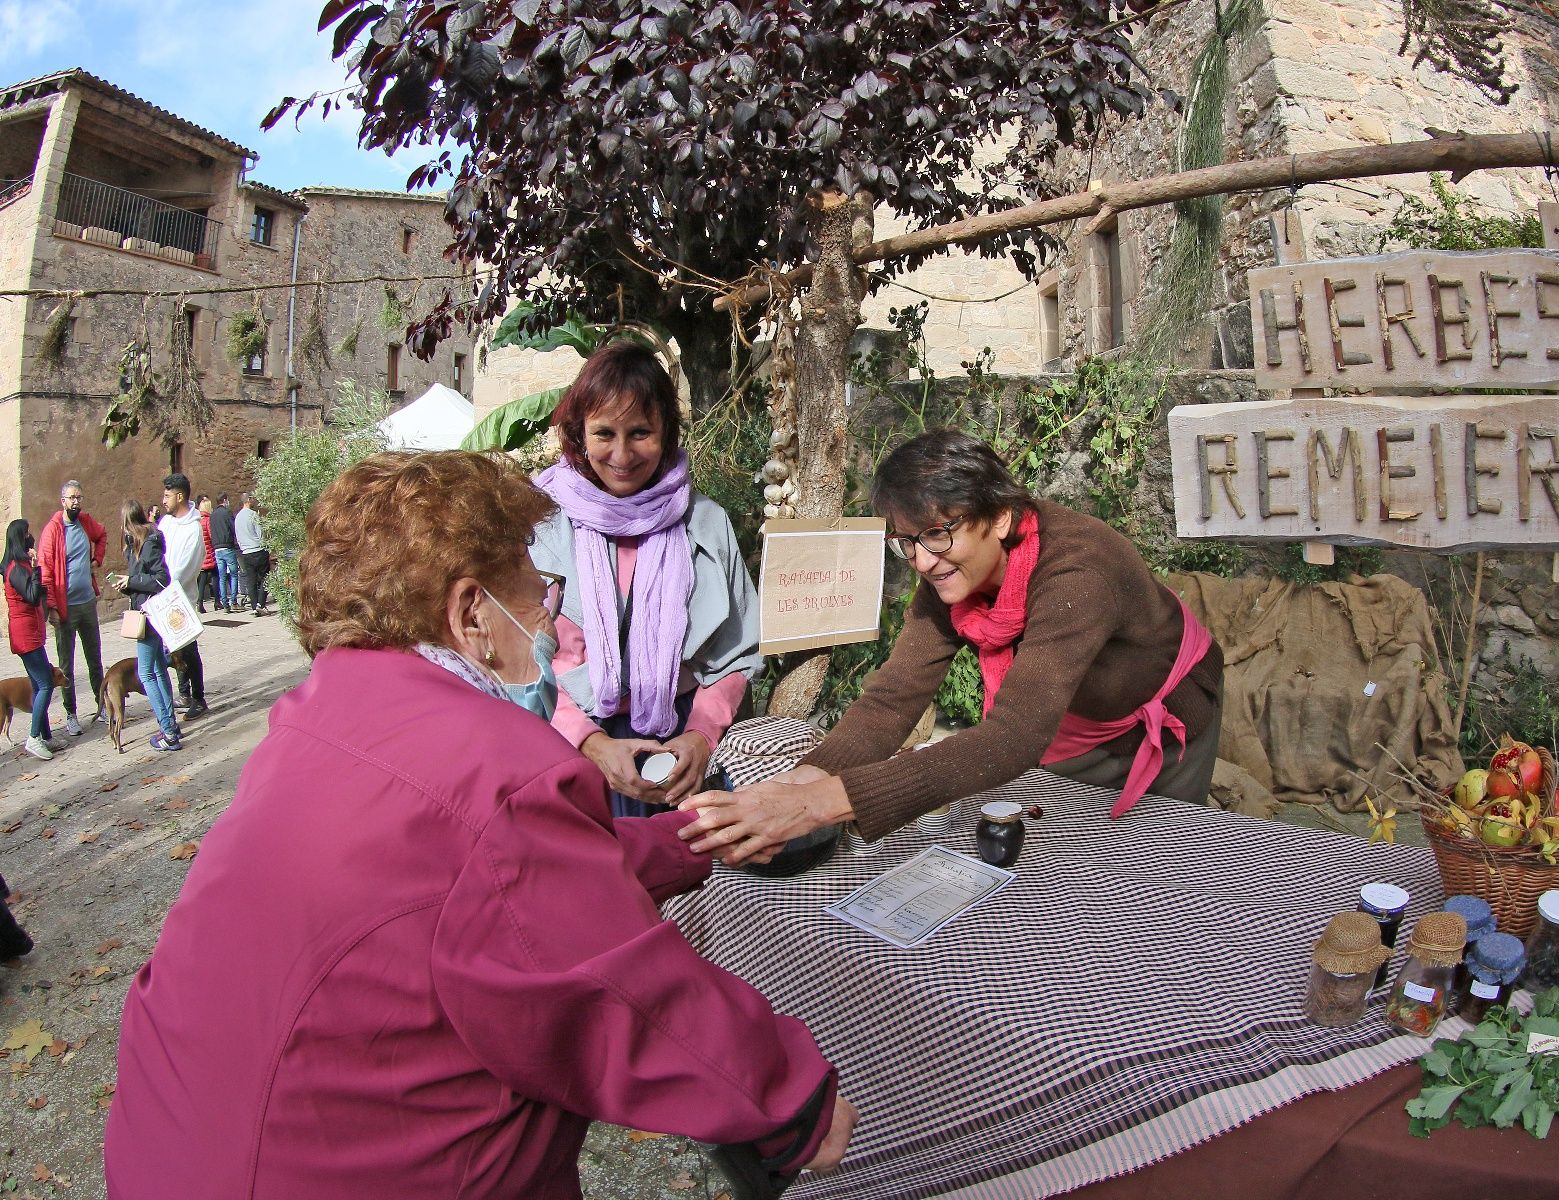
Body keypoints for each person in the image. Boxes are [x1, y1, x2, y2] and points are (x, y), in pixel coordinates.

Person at [105, 450, 854, 1199]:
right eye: (541, 595)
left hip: (180, 1147)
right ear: (470, 613)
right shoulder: (489, 765)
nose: (552, 620)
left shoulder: (320, 715)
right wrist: (791, 1103)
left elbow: (488, 880)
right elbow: (613, 992)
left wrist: (689, 840)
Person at [679, 429, 1227, 863]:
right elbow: (895, 696)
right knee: (1057, 855)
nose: (921, 560)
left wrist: (819, 805)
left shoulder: (1079, 573)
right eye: (907, 542)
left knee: (1153, 865)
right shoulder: (949, 575)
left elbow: (1011, 738)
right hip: (1062, 724)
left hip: (1159, 723)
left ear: (1001, 516)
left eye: (938, 534)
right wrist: (804, 779)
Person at [530, 340, 761, 816]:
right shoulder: (540, 526)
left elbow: (738, 650)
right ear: (579, 434)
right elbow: (515, 658)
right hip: (565, 745)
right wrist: (590, 743)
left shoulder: (705, 523)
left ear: (667, 433)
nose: (622, 454)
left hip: (680, 750)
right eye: (603, 434)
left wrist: (699, 737)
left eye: (640, 433)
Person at [38, 479, 106, 737]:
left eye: (79, 497)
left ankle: (102, 708)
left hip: (87, 602)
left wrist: (97, 559)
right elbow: (45, 570)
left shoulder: (85, 522)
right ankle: (71, 714)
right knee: (66, 665)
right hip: (66, 607)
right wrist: (52, 607)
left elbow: (102, 535)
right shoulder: (53, 530)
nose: (76, 501)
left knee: (95, 659)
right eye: (71, 498)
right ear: (62, 501)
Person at [117, 500, 183, 752]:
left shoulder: (147, 542)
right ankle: (171, 726)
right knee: (158, 668)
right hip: (148, 609)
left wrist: (132, 580)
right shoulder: (142, 541)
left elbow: (160, 579)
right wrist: (128, 584)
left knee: (146, 673)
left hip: (149, 613)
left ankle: (168, 730)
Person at [3, 520, 58, 761]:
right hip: (25, 634)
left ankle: (45, 736)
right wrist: (37, 568)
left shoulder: (19, 565)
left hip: (31, 632)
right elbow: (33, 596)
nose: (31, 537)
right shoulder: (16, 568)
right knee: (45, 684)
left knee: (38, 684)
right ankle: (34, 737)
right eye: (27, 534)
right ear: (19, 538)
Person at [157, 475, 208, 719]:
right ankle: (184, 693)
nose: (163, 500)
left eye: (167, 495)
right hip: (162, 596)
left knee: (187, 649)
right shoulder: (165, 524)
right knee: (174, 649)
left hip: (181, 597)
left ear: (179, 497)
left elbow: (184, 568)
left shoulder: (193, 530)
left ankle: (198, 697)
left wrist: (162, 580)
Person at [234, 493, 270, 616]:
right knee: (265, 578)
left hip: (246, 552)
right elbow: (260, 534)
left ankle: (255, 606)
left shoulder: (237, 517)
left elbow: (237, 535)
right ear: (248, 500)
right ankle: (261, 604)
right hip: (258, 550)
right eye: (252, 498)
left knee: (251, 580)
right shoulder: (253, 515)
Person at [209, 493, 240, 613]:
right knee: (233, 574)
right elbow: (233, 528)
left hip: (217, 548)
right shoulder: (227, 512)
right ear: (225, 500)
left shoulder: (213, 515)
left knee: (222, 576)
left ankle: (225, 603)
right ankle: (233, 601)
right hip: (227, 546)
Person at [195, 496, 218, 613]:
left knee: (202, 579)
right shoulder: (208, 520)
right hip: (209, 552)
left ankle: (199, 602)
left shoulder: (197, 520)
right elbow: (211, 536)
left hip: (201, 553)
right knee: (216, 576)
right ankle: (217, 601)